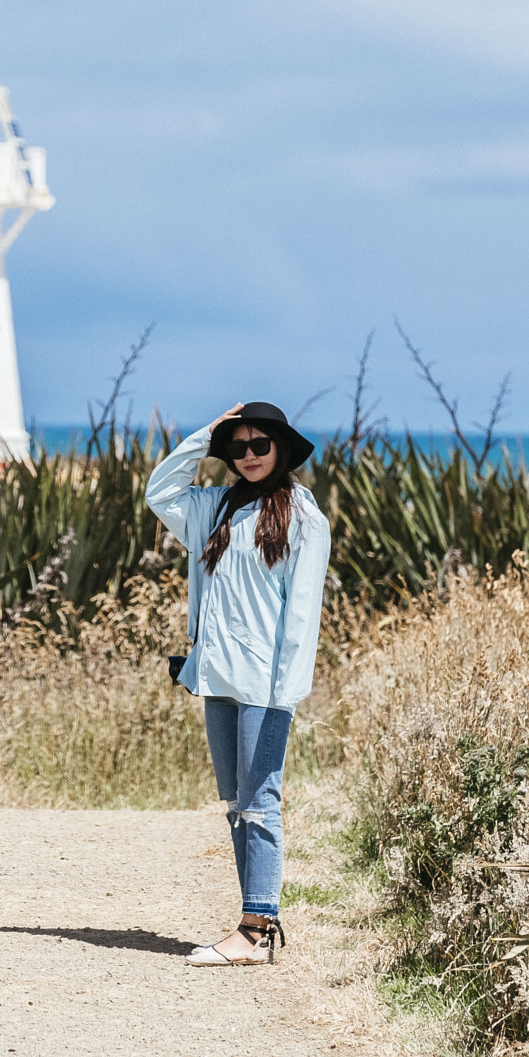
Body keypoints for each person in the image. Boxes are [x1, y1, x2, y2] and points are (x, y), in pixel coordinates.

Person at [145, 400, 330, 967]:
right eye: (239, 446)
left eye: (260, 445)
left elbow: (302, 615)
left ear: (280, 449)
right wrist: (207, 431)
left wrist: (283, 694)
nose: (249, 456)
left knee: (260, 803)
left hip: (266, 687)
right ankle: (255, 922)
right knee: (235, 804)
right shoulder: (215, 508)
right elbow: (160, 491)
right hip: (217, 677)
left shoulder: (303, 516)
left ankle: (256, 928)